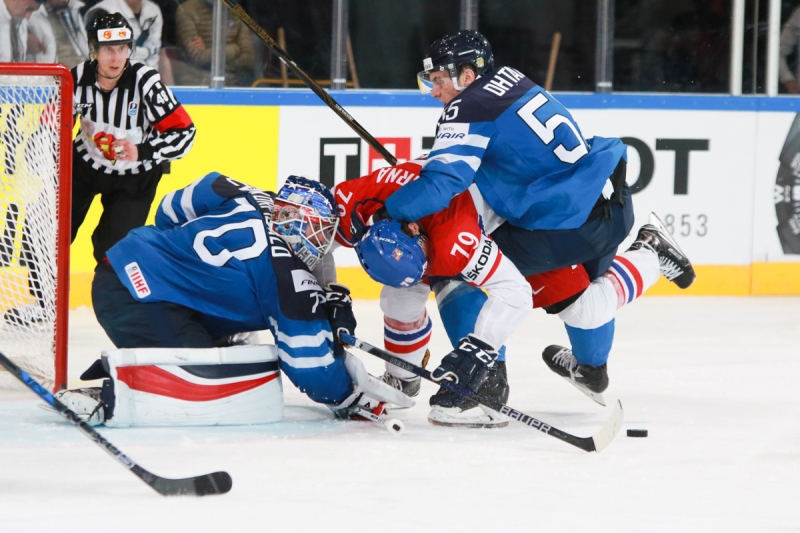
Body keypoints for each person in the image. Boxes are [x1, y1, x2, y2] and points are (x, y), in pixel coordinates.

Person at [381, 30, 695, 408]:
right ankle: (600, 351)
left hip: (564, 226)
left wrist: (390, 209)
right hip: (604, 205)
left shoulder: (468, 105)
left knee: (452, 262)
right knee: (581, 304)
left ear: (467, 74)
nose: (434, 92)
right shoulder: (511, 79)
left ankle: (482, 382)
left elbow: (445, 181)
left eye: (439, 80)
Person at [338, 158, 696, 425]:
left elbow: (513, 292)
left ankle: (649, 253)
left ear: (414, 228)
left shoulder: (455, 236)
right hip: (488, 227)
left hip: (524, 229)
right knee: (411, 289)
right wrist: (322, 298)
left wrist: (478, 357)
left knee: (585, 312)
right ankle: (407, 380)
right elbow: (320, 241)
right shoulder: (359, 204)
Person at [54, 173, 410, 425]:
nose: (320, 243)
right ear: (297, 219)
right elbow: (308, 364)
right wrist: (350, 394)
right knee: (213, 384)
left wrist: (174, 257)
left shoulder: (253, 195)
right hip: (135, 296)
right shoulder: (285, 274)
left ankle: (157, 353)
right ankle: (109, 395)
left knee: (235, 346)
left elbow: (173, 206)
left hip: (128, 268)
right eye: (317, 230)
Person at [71, 13, 195, 264]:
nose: (116, 58)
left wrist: (142, 150)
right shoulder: (76, 78)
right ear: (94, 50)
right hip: (84, 166)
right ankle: (42, 288)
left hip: (135, 177)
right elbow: (51, 127)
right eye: (108, 49)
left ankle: (109, 288)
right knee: (52, 232)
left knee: (114, 251)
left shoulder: (146, 83)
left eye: (122, 48)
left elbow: (185, 133)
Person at [175, 0, 255, 86]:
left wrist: (211, 56)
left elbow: (249, 58)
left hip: (234, 82)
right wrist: (235, 48)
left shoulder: (237, 11)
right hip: (197, 82)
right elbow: (198, 57)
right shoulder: (187, 10)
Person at [84, 0, 164, 70]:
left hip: (143, 75)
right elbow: (106, 53)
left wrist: (149, 77)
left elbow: (154, 52)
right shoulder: (103, 11)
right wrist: (146, 52)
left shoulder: (153, 10)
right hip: (113, 74)